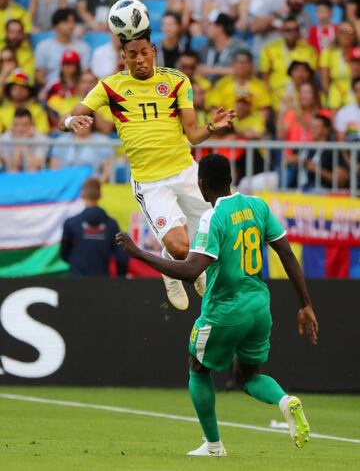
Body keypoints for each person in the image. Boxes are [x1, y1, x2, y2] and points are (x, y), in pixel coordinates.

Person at [116, 153, 319, 456]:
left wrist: (141, 254)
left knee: (197, 368)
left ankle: (213, 446)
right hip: (260, 307)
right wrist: (306, 304)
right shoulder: (257, 206)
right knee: (248, 376)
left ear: (200, 184)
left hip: (225, 309)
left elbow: (191, 270)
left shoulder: (213, 218)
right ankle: (284, 401)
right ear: (230, 179)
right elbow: (287, 254)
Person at [58, 28, 234, 311]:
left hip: (187, 172)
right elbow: (67, 117)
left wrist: (213, 126)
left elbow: (193, 134)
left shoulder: (177, 80)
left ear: (153, 51)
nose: (139, 59)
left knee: (218, 236)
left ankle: (188, 269)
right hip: (151, 182)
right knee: (180, 248)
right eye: (132, 55)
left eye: (144, 53)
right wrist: (70, 123)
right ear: (123, 57)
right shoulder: (110, 86)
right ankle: (171, 264)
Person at [60, 177, 128, 276]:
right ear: (99, 195)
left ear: (82, 194)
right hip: (102, 284)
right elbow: (122, 258)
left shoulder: (71, 223)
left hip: (77, 283)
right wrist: (119, 281)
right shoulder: (112, 225)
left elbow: (64, 254)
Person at [35, 8, 91, 87]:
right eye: (66, 22)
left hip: (76, 91)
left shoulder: (83, 47)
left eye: (72, 22)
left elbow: (85, 73)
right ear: (56, 26)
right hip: (51, 91)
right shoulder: (43, 47)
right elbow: (39, 75)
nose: (71, 25)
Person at [0, 106, 48, 171]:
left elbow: (35, 166)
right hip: (11, 177)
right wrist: (19, 142)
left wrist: (24, 142)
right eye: (16, 125)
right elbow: (12, 167)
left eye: (24, 125)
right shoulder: (3, 139)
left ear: (32, 124)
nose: (20, 128)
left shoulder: (42, 139)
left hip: (35, 177)